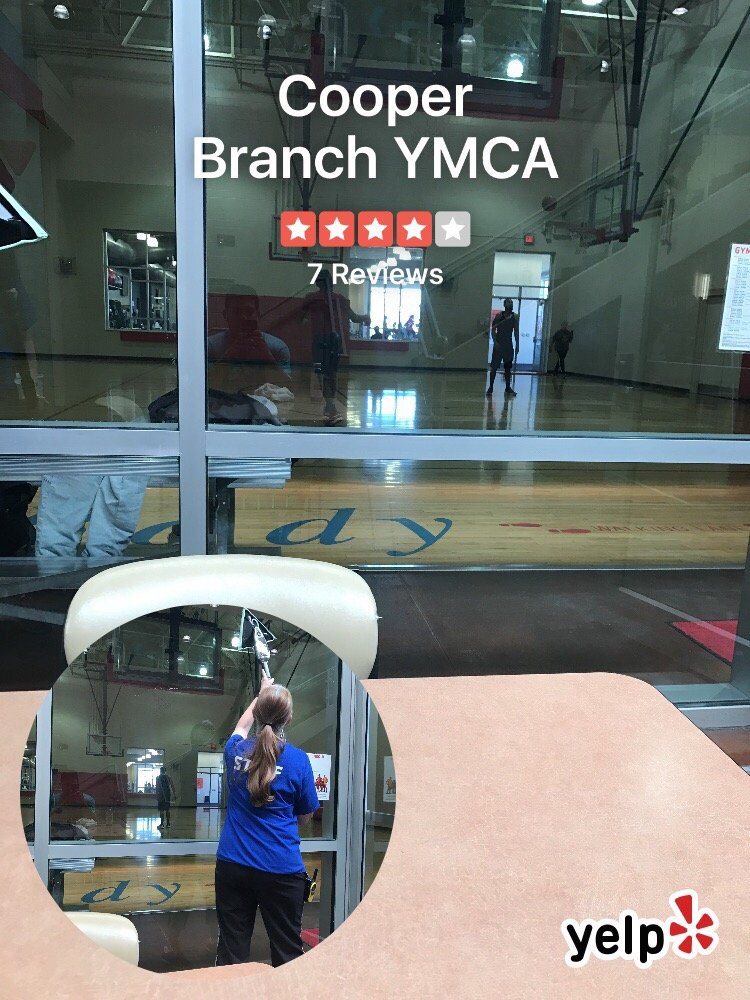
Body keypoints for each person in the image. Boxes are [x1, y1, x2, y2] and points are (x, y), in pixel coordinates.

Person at [215, 675, 319, 967]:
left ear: (258, 712)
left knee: (232, 953)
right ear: (289, 718)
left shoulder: (235, 752)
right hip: (281, 870)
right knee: (287, 953)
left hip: (233, 865)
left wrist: (260, 692)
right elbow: (305, 815)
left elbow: (240, 727)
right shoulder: (298, 760)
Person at [301, 269, 370, 426]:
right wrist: (366, 317)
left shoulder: (313, 299)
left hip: (325, 340)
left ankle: (330, 404)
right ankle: (330, 403)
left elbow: (301, 320)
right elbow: (355, 318)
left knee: (323, 373)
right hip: (331, 340)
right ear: (330, 283)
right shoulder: (334, 299)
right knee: (330, 373)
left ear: (318, 283)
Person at [487, 298, 519, 398]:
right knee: (494, 367)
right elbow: (493, 329)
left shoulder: (515, 317)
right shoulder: (499, 316)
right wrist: (495, 341)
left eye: (512, 302)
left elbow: (516, 332)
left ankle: (508, 387)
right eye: (509, 302)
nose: (511, 304)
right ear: (505, 305)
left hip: (508, 344)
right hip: (499, 344)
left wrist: (517, 345)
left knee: (508, 368)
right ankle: (491, 387)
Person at [156, 766, 176, 830]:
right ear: (165, 771)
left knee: (161, 810)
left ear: (160, 771)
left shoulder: (158, 778)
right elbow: (172, 786)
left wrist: (157, 795)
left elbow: (157, 787)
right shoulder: (168, 777)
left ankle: (162, 824)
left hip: (161, 795)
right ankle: (168, 823)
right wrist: (174, 794)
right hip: (167, 795)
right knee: (167, 809)